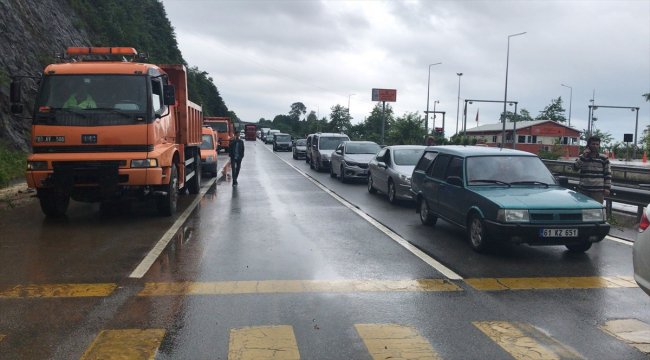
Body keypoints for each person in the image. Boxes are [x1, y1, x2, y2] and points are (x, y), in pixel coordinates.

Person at [573, 136, 612, 203]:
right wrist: (584, 156)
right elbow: (575, 168)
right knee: (584, 211)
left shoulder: (604, 158)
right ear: (588, 145)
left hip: (598, 191)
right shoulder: (582, 157)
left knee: (596, 211)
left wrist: (607, 188)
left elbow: (607, 174)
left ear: (599, 146)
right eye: (593, 144)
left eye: (597, 144)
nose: (595, 146)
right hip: (583, 189)